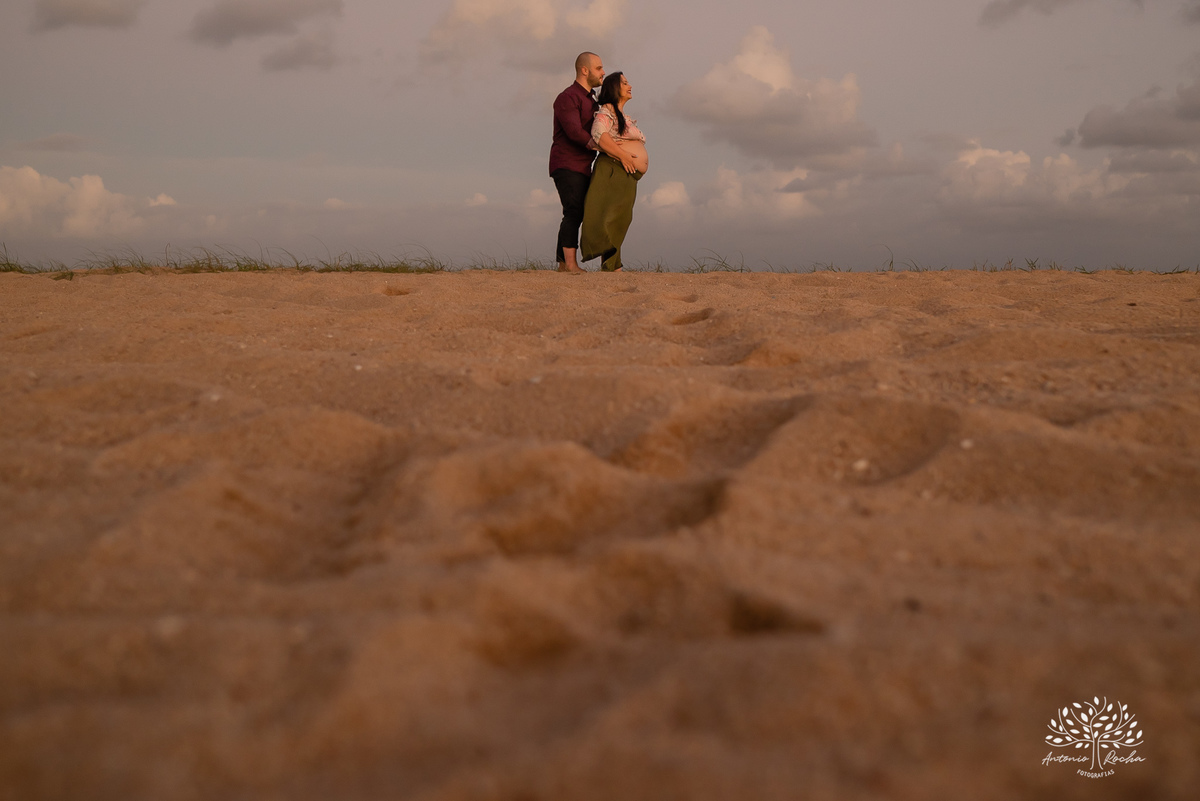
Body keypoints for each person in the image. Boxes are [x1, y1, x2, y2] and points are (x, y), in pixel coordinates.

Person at [580, 72, 647, 273]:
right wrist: (623, 156)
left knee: (621, 219)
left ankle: (613, 266)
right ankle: (612, 267)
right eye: (624, 83)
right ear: (614, 88)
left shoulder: (621, 116)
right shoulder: (607, 111)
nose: (630, 86)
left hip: (626, 173)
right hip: (614, 168)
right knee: (611, 218)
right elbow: (598, 133)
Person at [549, 52, 605, 274]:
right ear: (584, 70)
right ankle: (570, 265)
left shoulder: (592, 100)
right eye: (599, 68)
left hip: (582, 165)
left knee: (576, 212)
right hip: (567, 163)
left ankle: (563, 264)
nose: (602, 72)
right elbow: (574, 132)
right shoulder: (568, 97)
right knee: (573, 211)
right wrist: (602, 146)